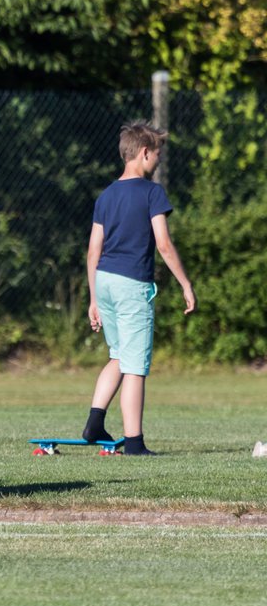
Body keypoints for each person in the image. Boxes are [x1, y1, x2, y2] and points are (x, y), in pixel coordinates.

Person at [82, 121, 196, 455]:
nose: (158, 161)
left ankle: (94, 423)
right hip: (132, 284)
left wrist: (93, 298)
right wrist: (186, 284)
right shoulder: (151, 193)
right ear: (145, 153)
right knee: (135, 364)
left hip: (104, 281)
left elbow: (93, 250)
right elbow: (163, 244)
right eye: (157, 154)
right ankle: (134, 443)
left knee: (118, 355)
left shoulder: (106, 195)